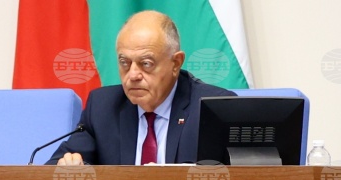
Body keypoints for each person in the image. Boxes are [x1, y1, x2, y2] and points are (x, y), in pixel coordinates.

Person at [47, 10, 236, 166]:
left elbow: (240, 176)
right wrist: (74, 167)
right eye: (125, 62)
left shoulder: (213, 109)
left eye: (146, 63)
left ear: (176, 63)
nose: (133, 75)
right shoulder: (102, 107)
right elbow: (52, 168)